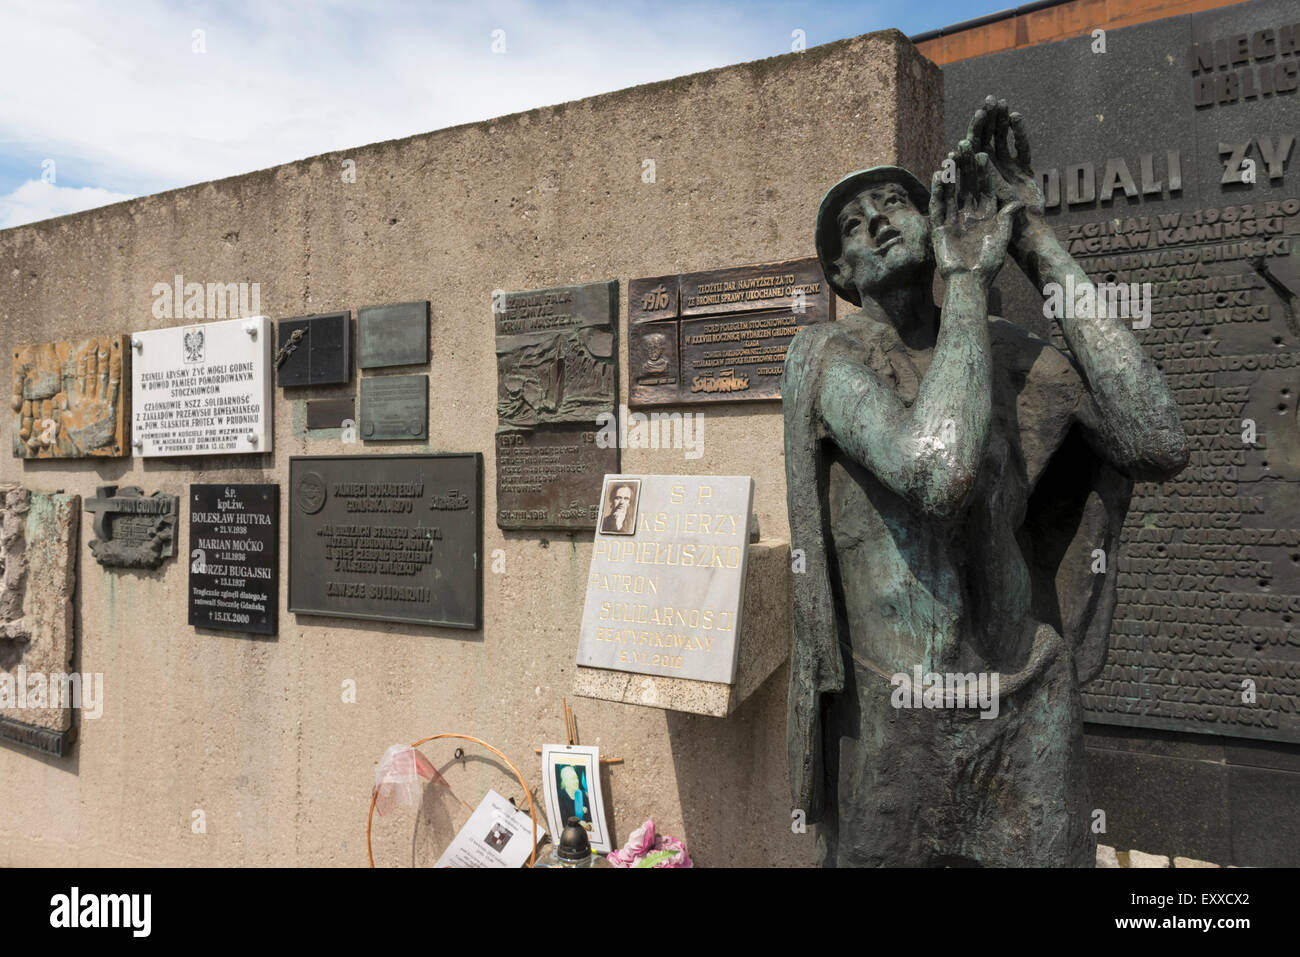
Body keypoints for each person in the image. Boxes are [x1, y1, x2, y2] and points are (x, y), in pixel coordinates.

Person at [782, 97, 1189, 867]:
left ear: (930, 217)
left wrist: (1033, 236)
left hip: (1026, 691)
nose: (875, 222)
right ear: (840, 272)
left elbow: (1157, 439)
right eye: (852, 224)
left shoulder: (1002, 349)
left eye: (894, 203)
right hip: (895, 712)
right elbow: (937, 470)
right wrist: (967, 279)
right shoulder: (826, 356)